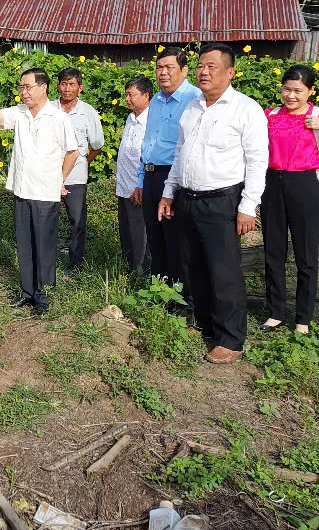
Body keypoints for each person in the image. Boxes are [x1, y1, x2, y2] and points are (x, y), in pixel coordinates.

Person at [158, 43, 268, 364]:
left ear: (230, 72)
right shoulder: (192, 107)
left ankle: (231, 339)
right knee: (193, 266)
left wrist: (249, 205)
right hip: (187, 198)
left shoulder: (246, 109)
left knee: (224, 271)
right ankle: (205, 324)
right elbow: (180, 154)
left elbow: (257, 160)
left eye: (212, 67)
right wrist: (168, 192)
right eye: (201, 66)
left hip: (222, 201)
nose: (204, 72)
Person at [0, 68, 79, 314]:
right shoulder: (20, 113)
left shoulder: (58, 118)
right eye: (21, 87)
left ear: (43, 87)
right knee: (24, 245)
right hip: (22, 190)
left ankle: (43, 295)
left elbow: (73, 152)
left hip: (45, 193)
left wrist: (60, 179)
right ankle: (27, 292)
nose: (23, 92)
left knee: (44, 246)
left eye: (28, 87)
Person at [261, 65, 319, 335]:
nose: (291, 96)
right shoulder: (270, 115)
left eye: (298, 91)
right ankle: (276, 312)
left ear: (311, 91)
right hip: (272, 184)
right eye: (287, 89)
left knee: (305, 255)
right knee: (273, 251)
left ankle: (303, 318)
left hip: (304, 184)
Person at [133, 48, 202, 292]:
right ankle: (159, 292)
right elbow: (148, 142)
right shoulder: (157, 101)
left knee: (176, 239)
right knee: (155, 237)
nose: (163, 72)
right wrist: (141, 179)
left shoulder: (195, 99)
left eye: (169, 67)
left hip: (174, 178)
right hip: (151, 176)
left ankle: (181, 297)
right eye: (159, 67)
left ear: (184, 70)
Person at [55, 67, 105, 272]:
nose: (67, 88)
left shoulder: (88, 112)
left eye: (72, 84)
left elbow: (97, 146)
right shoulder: (49, 109)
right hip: (49, 175)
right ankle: (48, 259)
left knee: (77, 220)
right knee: (48, 219)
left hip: (76, 177)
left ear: (80, 88)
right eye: (64, 84)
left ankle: (75, 264)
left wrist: (82, 162)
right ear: (58, 86)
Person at [115, 75, 153, 276]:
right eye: (126, 94)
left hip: (138, 189)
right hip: (124, 186)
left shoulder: (151, 121)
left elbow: (149, 158)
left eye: (132, 95)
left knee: (141, 236)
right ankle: (129, 271)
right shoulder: (131, 119)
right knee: (127, 234)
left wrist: (142, 186)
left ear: (146, 95)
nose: (127, 99)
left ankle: (142, 276)